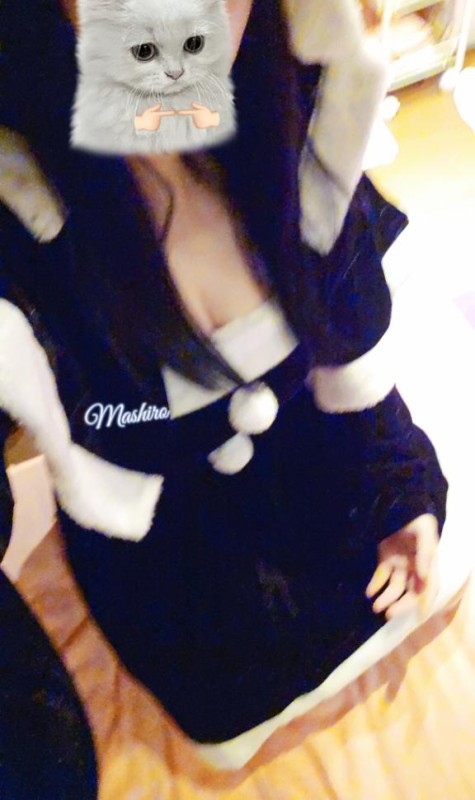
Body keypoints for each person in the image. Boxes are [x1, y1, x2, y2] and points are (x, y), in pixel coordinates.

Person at [0, 0, 448, 779]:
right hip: (176, 593)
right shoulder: (21, 222)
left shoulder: (299, 116)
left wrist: (399, 487)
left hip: (323, 497)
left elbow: (344, 343)